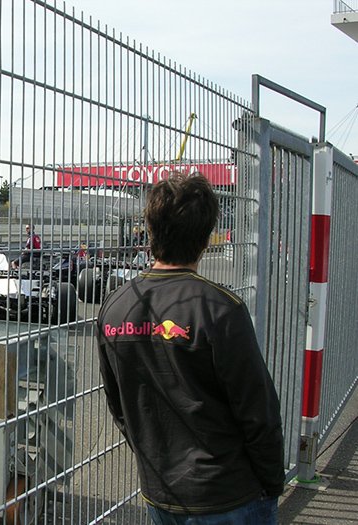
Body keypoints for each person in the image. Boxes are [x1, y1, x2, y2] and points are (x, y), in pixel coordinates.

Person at [97, 173, 284, 525]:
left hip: (160, 491)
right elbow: (258, 411)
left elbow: (118, 404)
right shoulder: (221, 308)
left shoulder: (115, 306)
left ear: (150, 231)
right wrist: (272, 482)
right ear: (205, 238)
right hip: (228, 495)